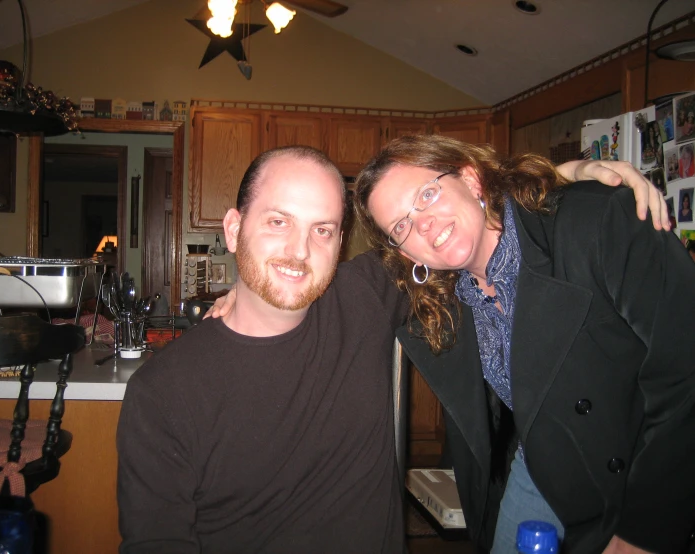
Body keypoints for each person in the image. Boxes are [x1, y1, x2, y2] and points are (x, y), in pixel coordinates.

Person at [119, 144, 667, 553]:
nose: (297, 251)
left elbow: (465, 218)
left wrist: (567, 173)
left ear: (340, 242)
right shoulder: (162, 395)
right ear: (234, 229)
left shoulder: (363, 295)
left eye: (323, 230)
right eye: (278, 222)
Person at [353, 135, 695, 554]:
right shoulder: (445, 297)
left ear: (471, 180)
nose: (422, 224)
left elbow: (686, 375)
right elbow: (324, 279)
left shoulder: (594, 221)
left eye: (427, 193)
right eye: (400, 226)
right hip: (541, 466)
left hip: (651, 465)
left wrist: (644, 532)